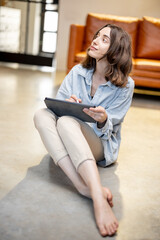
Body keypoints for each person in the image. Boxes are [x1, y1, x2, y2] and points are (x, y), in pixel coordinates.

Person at [34, 23, 134, 237]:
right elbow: (56, 105)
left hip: (98, 144)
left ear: (116, 51)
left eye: (104, 39)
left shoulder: (126, 85)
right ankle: (82, 187)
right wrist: (66, 103)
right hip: (69, 136)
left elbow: (111, 128)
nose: (95, 40)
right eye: (97, 36)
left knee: (66, 122)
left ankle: (98, 199)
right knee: (41, 114)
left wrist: (103, 118)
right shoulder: (78, 72)